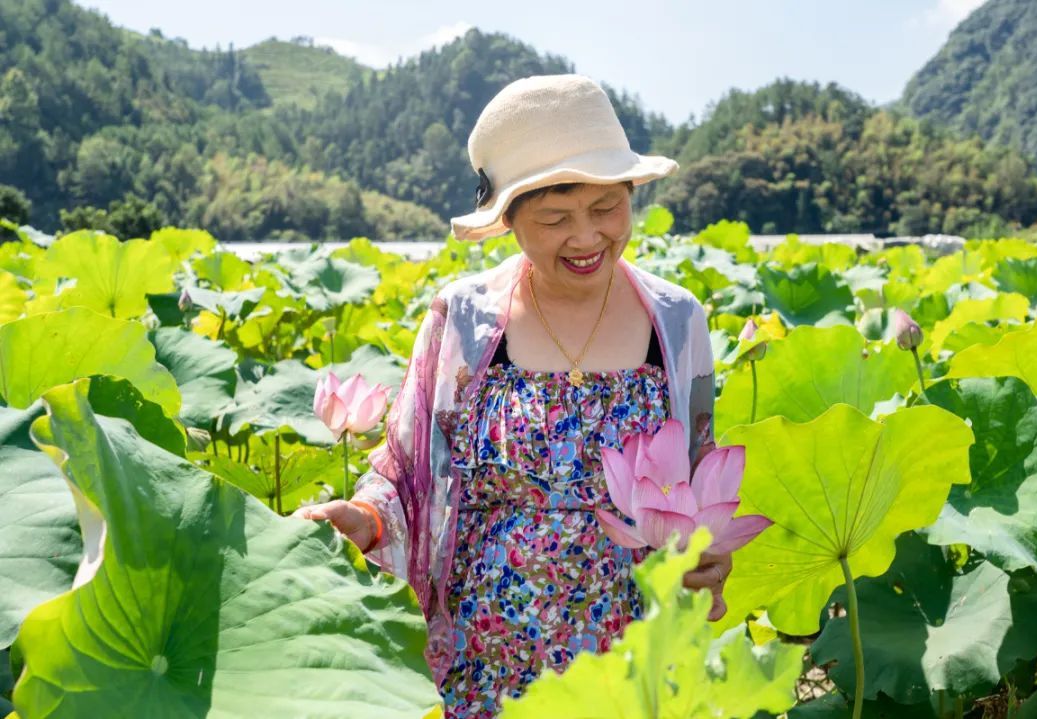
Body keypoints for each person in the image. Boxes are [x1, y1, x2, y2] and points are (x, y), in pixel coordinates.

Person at [294, 74, 727, 718]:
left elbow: (697, 482)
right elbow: (407, 473)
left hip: (627, 653)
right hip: (483, 657)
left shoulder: (677, 322)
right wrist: (368, 517)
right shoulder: (462, 321)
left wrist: (707, 561)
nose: (586, 238)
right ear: (509, 221)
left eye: (607, 208)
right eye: (555, 218)